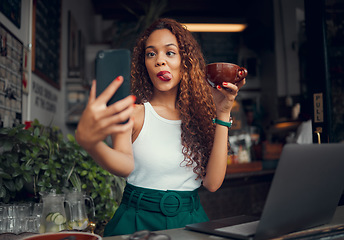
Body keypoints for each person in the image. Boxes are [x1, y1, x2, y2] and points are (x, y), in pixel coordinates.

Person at [75, 18, 246, 236]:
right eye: (151, 53)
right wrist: (91, 144)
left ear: (186, 63)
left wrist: (223, 112)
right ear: (144, 64)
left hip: (190, 220)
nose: (160, 61)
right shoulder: (133, 113)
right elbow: (125, 165)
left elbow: (212, 183)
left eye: (170, 52)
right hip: (136, 221)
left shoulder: (202, 119)